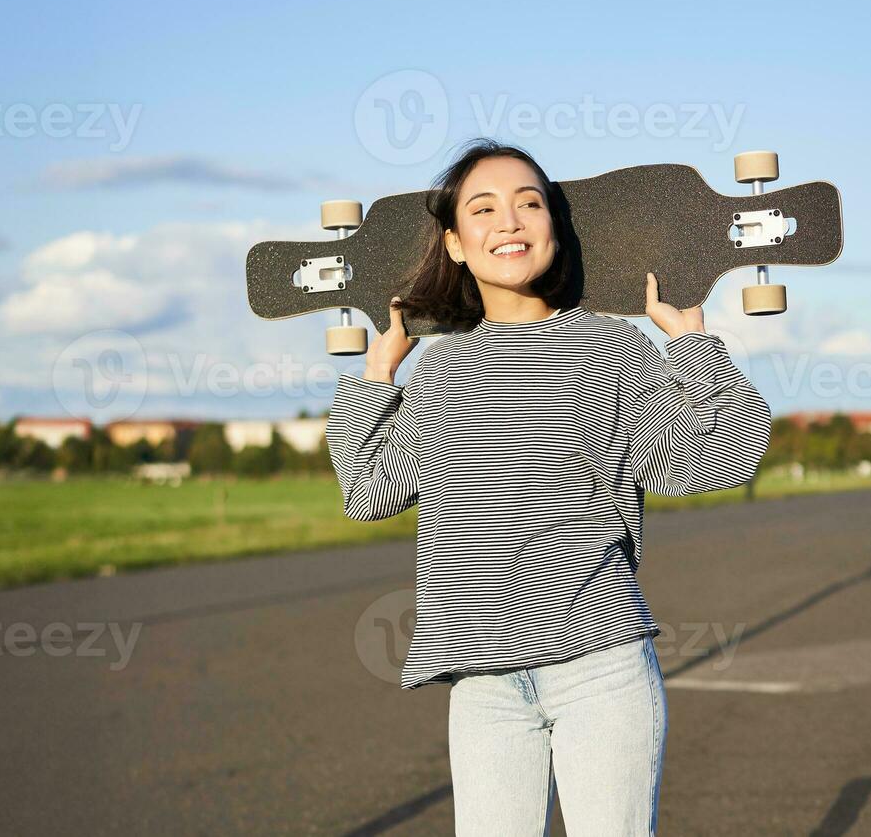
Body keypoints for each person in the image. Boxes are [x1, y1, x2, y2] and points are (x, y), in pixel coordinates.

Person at [326, 140, 771, 835]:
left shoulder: (613, 349)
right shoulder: (442, 372)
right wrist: (376, 380)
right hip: (481, 682)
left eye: (528, 204)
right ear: (457, 244)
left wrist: (691, 347)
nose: (509, 221)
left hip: (600, 666)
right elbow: (366, 491)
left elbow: (722, 455)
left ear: (556, 231)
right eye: (484, 209)